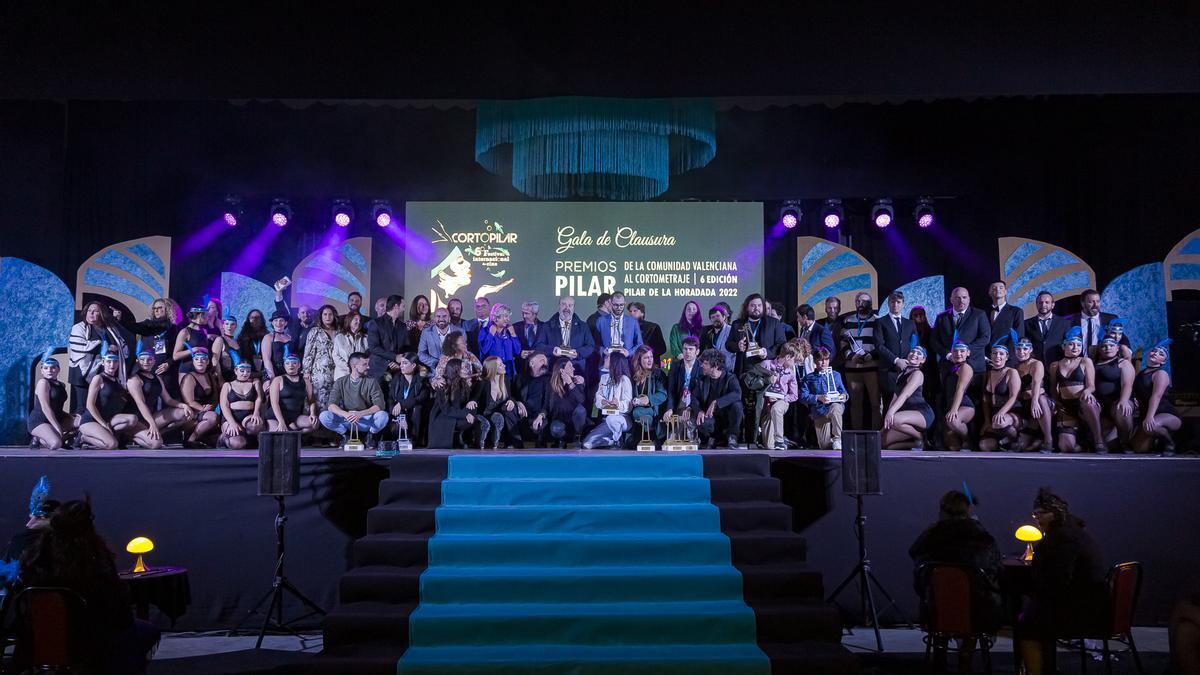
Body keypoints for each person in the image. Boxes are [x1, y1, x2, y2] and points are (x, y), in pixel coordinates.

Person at [15, 499, 161, 674]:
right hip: (91, 641)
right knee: (146, 631)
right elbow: (117, 611)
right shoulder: (95, 561)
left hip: (41, 640)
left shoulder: (35, 558)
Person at [908, 490, 1003, 672]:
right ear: (967, 510)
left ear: (942, 510)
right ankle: (965, 661)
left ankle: (939, 658)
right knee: (981, 601)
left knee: (941, 600)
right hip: (976, 612)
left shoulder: (931, 536)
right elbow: (995, 569)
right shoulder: (982, 537)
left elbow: (915, 558)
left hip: (936, 610)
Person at [1018, 488, 1108, 675]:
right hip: (1093, 605)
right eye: (1035, 515)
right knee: (1035, 613)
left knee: (1027, 624)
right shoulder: (1073, 532)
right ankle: (1048, 668)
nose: (1037, 519)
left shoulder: (1062, 539)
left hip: (1083, 612)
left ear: (1055, 515)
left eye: (1040, 514)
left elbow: (1057, 582)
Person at [126, 339, 194, 448]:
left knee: (185, 414)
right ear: (137, 361)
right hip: (136, 419)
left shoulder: (156, 378)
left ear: (153, 361)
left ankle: (157, 433)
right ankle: (131, 436)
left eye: (149, 360)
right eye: (142, 359)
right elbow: (140, 403)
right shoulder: (134, 379)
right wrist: (152, 423)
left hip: (151, 417)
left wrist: (183, 405)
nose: (146, 362)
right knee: (156, 444)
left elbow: (168, 400)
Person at [77, 344, 146, 450]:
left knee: (133, 419)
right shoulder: (98, 378)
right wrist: (103, 424)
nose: (112, 365)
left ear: (118, 363)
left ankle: (113, 436)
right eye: (109, 362)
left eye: (115, 362)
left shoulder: (118, 381)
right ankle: (84, 438)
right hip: (91, 420)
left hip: (108, 419)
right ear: (103, 362)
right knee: (112, 445)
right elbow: (89, 405)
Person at [1049, 328, 1106, 453]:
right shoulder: (1055, 365)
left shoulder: (1085, 361)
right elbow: (1053, 388)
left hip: (1084, 403)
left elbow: (1092, 386)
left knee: (1089, 403)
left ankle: (1099, 441)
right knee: (1066, 447)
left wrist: (1087, 391)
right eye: (1071, 344)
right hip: (1066, 407)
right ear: (1064, 347)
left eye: (1079, 345)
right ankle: (1085, 443)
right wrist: (1057, 403)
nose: (1075, 347)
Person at [319, 352, 390, 449]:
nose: (368, 367)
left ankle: (370, 436)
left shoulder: (371, 381)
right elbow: (331, 405)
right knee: (324, 416)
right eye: (365, 364)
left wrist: (359, 414)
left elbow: (379, 405)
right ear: (354, 366)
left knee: (383, 416)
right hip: (348, 419)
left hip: (365, 419)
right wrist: (346, 414)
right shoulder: (340, 382)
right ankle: (346, 435)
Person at [69, 301, 128, 412]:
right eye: (89, 311)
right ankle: (82, 428)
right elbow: (79, 346)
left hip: (102, 373)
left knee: (100, 406)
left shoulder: (110, 329)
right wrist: (104, 346)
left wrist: (115, 349)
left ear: (101, 314)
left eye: (95, 311)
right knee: (83, 407)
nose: (91, 313)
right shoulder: (79, 327)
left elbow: (123, 347)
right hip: (82, 372)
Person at [838, 292, 881, 431]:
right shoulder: (848, 320)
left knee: (875, 404)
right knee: (855, 403)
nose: (859, 303)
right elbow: (843, 342)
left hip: (871, 366)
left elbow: (881, 343)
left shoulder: (877, 320)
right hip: (852, 367)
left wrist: (872, 355)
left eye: (863, 301)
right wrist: (851, 356)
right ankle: (856, 435)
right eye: (857, 301)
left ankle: (877, 436)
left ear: (870, 303)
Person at [1131, 339, 1181, 455]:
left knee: (1151, 426)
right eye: (1154, 351)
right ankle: (1156, 440)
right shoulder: (1140, 374)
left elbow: (1156, 396)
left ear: (1163, 361)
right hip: (1148, 413)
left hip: (1166, 413)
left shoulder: (1161, 374)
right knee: (1138, 449)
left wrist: (1149, 417)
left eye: (1161, 354)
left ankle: (1170, 443)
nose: (1156, 353)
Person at [427, 357, 490, 449]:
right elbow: (446, 409)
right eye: (463, 368)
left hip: (457, 412)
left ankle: (462, 438)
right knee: (466, 419)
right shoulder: (443, 384)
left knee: (473, 409)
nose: (466, 370)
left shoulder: (463, 382)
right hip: (443, 416)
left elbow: (474, 392)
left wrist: (472, 401)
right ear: (455, 369)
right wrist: (465, 414)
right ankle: (456, 438)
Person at [882, 342, 933, 450]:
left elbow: (905, 395)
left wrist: (891, 413)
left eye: (918, 353)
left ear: (922, 360)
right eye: (912, 351)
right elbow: (895, 398)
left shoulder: (918, 374)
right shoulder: (901, 373)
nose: (914, 354)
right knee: (882, 443)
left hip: (921, 412)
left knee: (894, 419)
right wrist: (885, 422)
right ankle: (916, 443)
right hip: (904, 417)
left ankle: (920, 436)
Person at [692, 348, 744, 449]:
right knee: (700, 420)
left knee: (737, 405)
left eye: (705, 363)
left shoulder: (730, 378)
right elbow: (694, 398)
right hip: (712, 420)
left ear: (715, 366)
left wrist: (717, 402)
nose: (702, 365)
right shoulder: (702, 380)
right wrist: (699, 411)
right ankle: (714, 438)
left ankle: (732, 437)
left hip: (727, 418)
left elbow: (737, 394)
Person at [1092, 336, 1136, 451]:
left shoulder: (1123, 363)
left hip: (1119, 401)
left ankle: (1125, 440)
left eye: (1111, 346)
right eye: (1104, 346)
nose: (1108, 348)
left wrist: (1124, 400)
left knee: (1123, 409)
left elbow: (1127, 384)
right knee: (1109, 446)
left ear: (1117, 348)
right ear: (1099, 349)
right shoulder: (1092, 363)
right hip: (1101, 405)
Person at [755, 339, 800, 451]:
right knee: (769, 446)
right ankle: (783, 441)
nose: (794, 363)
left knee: (777, 408)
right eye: (794, 360)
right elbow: (753, 382)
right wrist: (767, 380)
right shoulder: (766, 364)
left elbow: (794, 395)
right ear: (788, 357)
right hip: (766, 404)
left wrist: (782, 397)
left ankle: (779, 440)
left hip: (782, 402)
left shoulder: (790, 373)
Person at [800, 347, 848, 450]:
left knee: (836, 408)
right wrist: (818, 397)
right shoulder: (809, 378)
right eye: (820, 360)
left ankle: (838, 439)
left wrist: (844, 396)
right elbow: (803, 397)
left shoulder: (836, 375)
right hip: (819, 411)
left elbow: (843, 391)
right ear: (815, 361)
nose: (823, 362)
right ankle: (831, 443)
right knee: (824, 445)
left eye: (826, 359)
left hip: (834, 406)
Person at [583, 350, 633, 449]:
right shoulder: (604, 378)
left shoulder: (624, 380)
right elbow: (598, 397)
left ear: (614, 361)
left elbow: (629, 405)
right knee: (586, 444)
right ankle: (612, 441)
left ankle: (617, 439)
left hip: (622, 418)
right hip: (607, 419)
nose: (605, 358)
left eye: (608, 357)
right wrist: (602, 402)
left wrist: (618, 403)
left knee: (612, 419)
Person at [979, 339, 1022, 452]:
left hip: (1011, 413)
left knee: (999, 421)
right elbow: (985, 400)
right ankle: (1004, 442)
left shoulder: (1011, 372)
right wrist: (987, 421)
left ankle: (1016, 439)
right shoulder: (987, 374)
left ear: (1006, 357)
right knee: (984, 446)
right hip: (994, 414)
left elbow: (1014, 396)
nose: (998, 356)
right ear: (991, 356)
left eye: (1001, 354)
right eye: (994, 353)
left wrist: (1002, 412)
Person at [1013, 336, 1054, 453]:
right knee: (1020, 447)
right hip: (1024, 404)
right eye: (1019, 349)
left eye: (1025, 349)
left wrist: (1034, 401)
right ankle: (1037, 441)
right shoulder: (1015, 366)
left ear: (1030, 350)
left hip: (1041, 402)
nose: (1022, 352)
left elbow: (1037, 384)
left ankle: (1048, 440)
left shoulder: (1037, 364)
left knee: (1041, 398)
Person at [534, 296, 596, 374]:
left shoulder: (583, 326)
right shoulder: (547, 326)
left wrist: (578, 353)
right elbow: (539, 346)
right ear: (559, 306)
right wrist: (552, 350)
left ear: (574, 308)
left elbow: (590, 346)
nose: (567, 308)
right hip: (553, 369)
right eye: (563, 304)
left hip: (577, 369)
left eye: (570, 305)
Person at [28, 349, 75, 450]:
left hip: (56, 418)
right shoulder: (43, 383)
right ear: (42, 371)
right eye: (46, 368)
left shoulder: (62, 385)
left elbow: (57, 407)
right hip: (40, 421)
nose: (49, 370)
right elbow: (45, 408)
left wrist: (70, 417)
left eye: (53, 368)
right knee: (56, 444)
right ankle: (37, 438)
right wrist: (57, 427)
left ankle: (56, 437)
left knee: (79, 422)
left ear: (58, 369)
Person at [477, 355, 527, 449]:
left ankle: (514, 442)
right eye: (500, 365)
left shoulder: (506, 381)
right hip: (485, 416)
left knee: (510, 409)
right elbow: (475, 399)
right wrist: (471, 402)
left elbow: (513, 396)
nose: (504, 366)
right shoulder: (483, 383)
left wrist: (512, 401)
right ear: (493, 368)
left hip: (500, 416)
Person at [537, 357, 588, 448]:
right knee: (556, 428)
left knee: (581, 410)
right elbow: (546, 406)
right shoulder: (551, 385)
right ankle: (560, 440)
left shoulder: (576, 382)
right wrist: (540, 415)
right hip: (559, 420)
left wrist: (570, 383)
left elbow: (581, 400)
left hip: (574, 422)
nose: (573, 368)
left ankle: (577, 437)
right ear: (562, 370)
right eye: (570, 366)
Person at [875, 291, 917, 400]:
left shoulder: (910, 323)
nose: (895, 305)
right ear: (888, 304)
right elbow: (879, 346)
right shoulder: (880, 322)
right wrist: (896, 360)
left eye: (898, 302)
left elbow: (915, 345)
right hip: (889, 371)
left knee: (906, 403)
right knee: (889, 403)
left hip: (908, 369)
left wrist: (910, 362)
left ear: (903, 304)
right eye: (892, 302)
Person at [218, 355, 265, 449]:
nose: (245, 374)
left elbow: (259, 398)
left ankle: (248, 439)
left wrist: (256, 413)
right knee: (237, 444)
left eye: (248, 371)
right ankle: (222, 438)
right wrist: (232, 423)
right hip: (231, 417)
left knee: (255, 425)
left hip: (247, 416)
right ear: (236, 371)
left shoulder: (254, 383)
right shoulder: (228, 385)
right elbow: (224, 406)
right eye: (242, 371)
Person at [179, 344, 221, 447]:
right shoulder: (189, 377)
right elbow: (189, 402)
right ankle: (190, 440)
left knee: (218, 440)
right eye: (197, 359)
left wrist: (211, 408)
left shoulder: (210, 376)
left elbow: (215, 398)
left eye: (203, 359)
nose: (200, 361)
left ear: (207, 362)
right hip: (192, 413)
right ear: (193, 362)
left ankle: (202, 438)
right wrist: (203, 409)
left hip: (207, 413)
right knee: (213, 417)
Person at [268, 346, 317, 434]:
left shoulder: (306, 381)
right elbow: (274, 403)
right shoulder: (278, 380)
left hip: (295, 416)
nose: (291, 366)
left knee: (314, 423)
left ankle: (294, 434)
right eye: (288, 363)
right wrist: (281, 422)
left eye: (294, 363)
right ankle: (290, 431)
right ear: (284, 365)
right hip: (276, 416)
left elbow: (311, 400)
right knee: (280, 434)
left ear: (299, 365)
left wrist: (312, 413)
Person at [941, 340, 977, 452]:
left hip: (964, 405)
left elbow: (960, 390)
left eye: (962, 351)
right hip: (951, 404)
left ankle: (968, 440)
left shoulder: (965, 367)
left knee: (952, 420)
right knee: (953, 447)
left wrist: (954, 409)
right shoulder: (953, 367)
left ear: (968, 353)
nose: (958, 353)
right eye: (956, 351)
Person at [629, 345, 668, 446]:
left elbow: (663, 394)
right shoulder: (633, 375)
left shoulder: (658, 373)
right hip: (637, 409)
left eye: (651, 357)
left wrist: (648, 399)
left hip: (654, 409)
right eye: (646, 358)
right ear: (639, 360)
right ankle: (647, 436)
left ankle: (652, 435)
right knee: (637, 413)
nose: (650, 360)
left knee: (638, 412)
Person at [304, 304, 340, 412]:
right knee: (319, 398)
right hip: (319, 373)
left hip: (336, 372)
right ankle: (315, 423)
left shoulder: (340, 332)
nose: (327, 317)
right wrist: (306, 371)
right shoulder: (315, 331)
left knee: (334, 398)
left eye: (330, 314)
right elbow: (308, 353)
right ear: (321, 316)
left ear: (334, 316)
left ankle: (331, 424)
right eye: (325, 314)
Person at [367, 294, 411, 380]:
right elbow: (374, 348)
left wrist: (399, 361)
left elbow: (406, 348)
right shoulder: (375, 323)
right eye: (403, 306)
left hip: (398, 370)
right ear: (396, 306)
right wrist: (394, 357)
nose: (404, 309)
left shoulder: (403, 326)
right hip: (379, 370)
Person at [389, 352, 429, 447]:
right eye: (401, 363)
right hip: (398, 416)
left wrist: (401, 404)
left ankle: (415, 440)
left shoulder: (421, 381)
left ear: (413, 365)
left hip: (414, 415)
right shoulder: (396, 379)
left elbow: (419, 399)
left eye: (405, 363)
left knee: (417, 407)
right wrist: (400, 417)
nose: (401, 366)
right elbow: (390, 399)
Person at [1024, 290, 1068, 366]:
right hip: (1034, 367)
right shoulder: (1026, 324)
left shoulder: (1064, 323)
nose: (1043, 305)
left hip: (1057, 366)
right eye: (1040, 302)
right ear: (1036, 305)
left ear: (1053, 305)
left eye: (1047, 302)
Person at [479, 303, 522, 379]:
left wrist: (513, 334)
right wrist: (491, 335)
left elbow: (518, 351)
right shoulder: (485, 331)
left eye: (508, 317)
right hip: (493, 372)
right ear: (496, 317)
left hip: (509, 372)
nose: (508, 319)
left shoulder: (509, 331)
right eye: (505, 316)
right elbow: (484, 350)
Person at [1065, 288, 1115, 353]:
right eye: (1091, 302)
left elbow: (1122, 338)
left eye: (1098, 301)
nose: (1095, 305)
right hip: (1079, 360)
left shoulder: (1110, 319)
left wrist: (1127, 350)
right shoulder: (1069, 320)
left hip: (1103, 360)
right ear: (1083, 303)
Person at [418, 307, 464, 372]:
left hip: (455, 372)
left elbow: (464, 352)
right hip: (434, 373)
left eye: (444, 316)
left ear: (449, 318)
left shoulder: (461, 332)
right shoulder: (426, 332)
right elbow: (421, 354)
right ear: (434, 319)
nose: (441, 319)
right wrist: (437, 363)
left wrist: (450, 364)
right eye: (438, 316)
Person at [273, 286, 314, 358]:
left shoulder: (318, 327)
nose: (306, 315)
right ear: (298, 315)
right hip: (292, 361)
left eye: (308, 312)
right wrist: (279, 292)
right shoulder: (293, 324)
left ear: (313, 313)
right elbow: (281, 308)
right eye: (303, 313)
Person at [332, 312, 369, 381]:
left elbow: (366, 357)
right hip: (342, 376)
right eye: (356, 319)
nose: (358, 322)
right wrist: (350, 367)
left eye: (360, 320)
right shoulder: (339, 337)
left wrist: (359, 368)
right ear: (349, 320)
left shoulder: (365, 339)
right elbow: (335, 356)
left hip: (359, 377)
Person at [260, 309, 294, 381]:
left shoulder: (290, 337)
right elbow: (266, 360)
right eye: (276, 320)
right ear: (272, 323)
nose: (278, 323)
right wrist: (272, 377)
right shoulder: (268, 337)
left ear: (285, 323)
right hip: (272, 371)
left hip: (288, 370)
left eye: (281, 320)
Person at [702, 303, 736, 372]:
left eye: (718, 316)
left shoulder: (731, 330)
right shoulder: (709, 333)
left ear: (724, 317)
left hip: (728, 369)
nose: (715, 319)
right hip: (714, 369)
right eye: (713, 317)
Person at [515, 300, 548, 372]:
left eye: (527, 313)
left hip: (539, 370)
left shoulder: (545, 327)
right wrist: (520, 353)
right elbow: (510, 348)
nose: (524, 316)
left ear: (535, 314)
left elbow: (549, 347)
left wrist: (537, 352)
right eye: (523, 313)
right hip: (521, 370)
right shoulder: (515, 327)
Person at [211, 310, 241, 382]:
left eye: (232, 324)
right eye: (227, 324)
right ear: (223, 326)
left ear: (236, 326)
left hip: (237, 377)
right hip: (224, 377)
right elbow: (215, 360)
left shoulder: (237, 341)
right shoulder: (220, 340)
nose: (229, 327)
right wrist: (220, 378)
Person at [238, 308, 269, 374]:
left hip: (265, 370)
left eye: (257, 317)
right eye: (252, 317)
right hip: (247, 370)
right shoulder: (242, 336)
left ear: (262, 320)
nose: (255, 319)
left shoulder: (267, 335)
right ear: (248, 320)